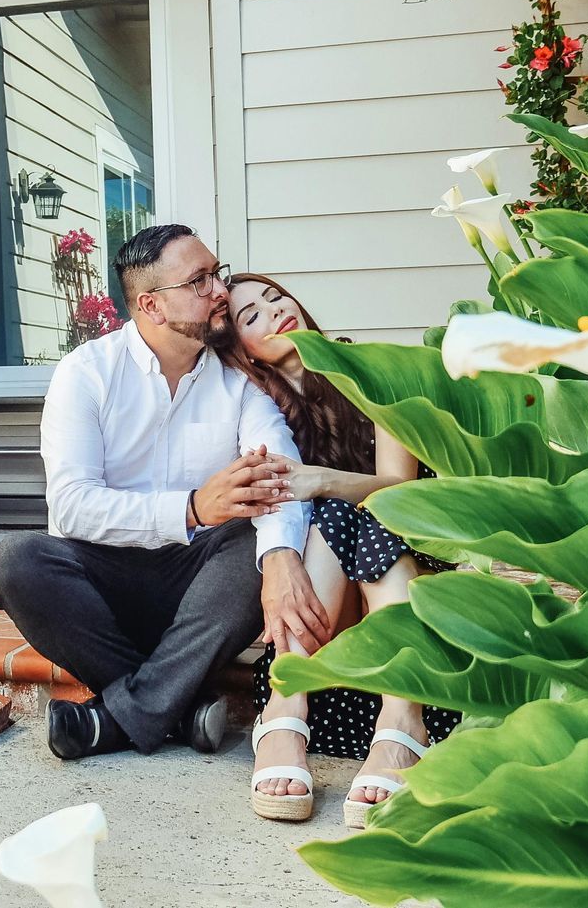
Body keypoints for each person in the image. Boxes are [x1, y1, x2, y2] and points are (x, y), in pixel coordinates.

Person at [0, 225, 332, 776]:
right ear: (150, 304)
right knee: (17, 562)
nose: (219, 289)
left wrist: (282, 559)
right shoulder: (87, 374)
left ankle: (115, 718)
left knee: (255, 541)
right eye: (198, 281)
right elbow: (73, 506)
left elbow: (279, 478)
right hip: (103, 587)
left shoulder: (239, 382)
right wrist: (192, 507)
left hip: (203, 591)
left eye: (216, 272)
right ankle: (176, 708)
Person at [209, 272, 461, 828]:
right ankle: (297, 702)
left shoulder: (365, 372)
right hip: (330, 635)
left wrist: (323, 479)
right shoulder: (260, 412)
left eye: (276, 297)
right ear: (241, 349)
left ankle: (395, 712)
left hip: (409, 577)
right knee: (331, 514)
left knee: (362, 508)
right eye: (252, 315)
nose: (276, 312)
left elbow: (401, 489)